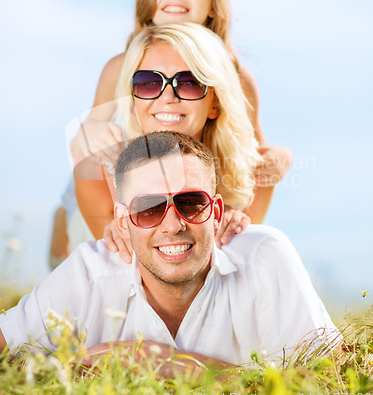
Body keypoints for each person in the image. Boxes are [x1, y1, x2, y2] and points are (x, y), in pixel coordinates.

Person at [0, 132, 339, 371]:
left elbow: (332, 381)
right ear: (122, 222)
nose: (173, 225)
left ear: (217, 212)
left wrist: (174, 364)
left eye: (191, 203)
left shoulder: (265, 257)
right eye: (148, 208)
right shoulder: (90, 274)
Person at [69, 0, 292, 241]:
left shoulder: (236, 78)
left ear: (215, 1)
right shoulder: (121, 67)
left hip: (196, 191)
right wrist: (88, 131)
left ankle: (228, 248)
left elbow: (254, 158)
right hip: (119, 189)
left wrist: (280, 159)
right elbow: (84, 144)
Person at [74, 22, 263, 260]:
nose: (167, 97)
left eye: (189, 82)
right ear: (133, 100)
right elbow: (125, 268)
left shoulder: (252, 175)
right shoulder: (96, 167)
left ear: (215, 103)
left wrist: (239, 230)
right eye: (149, 82)